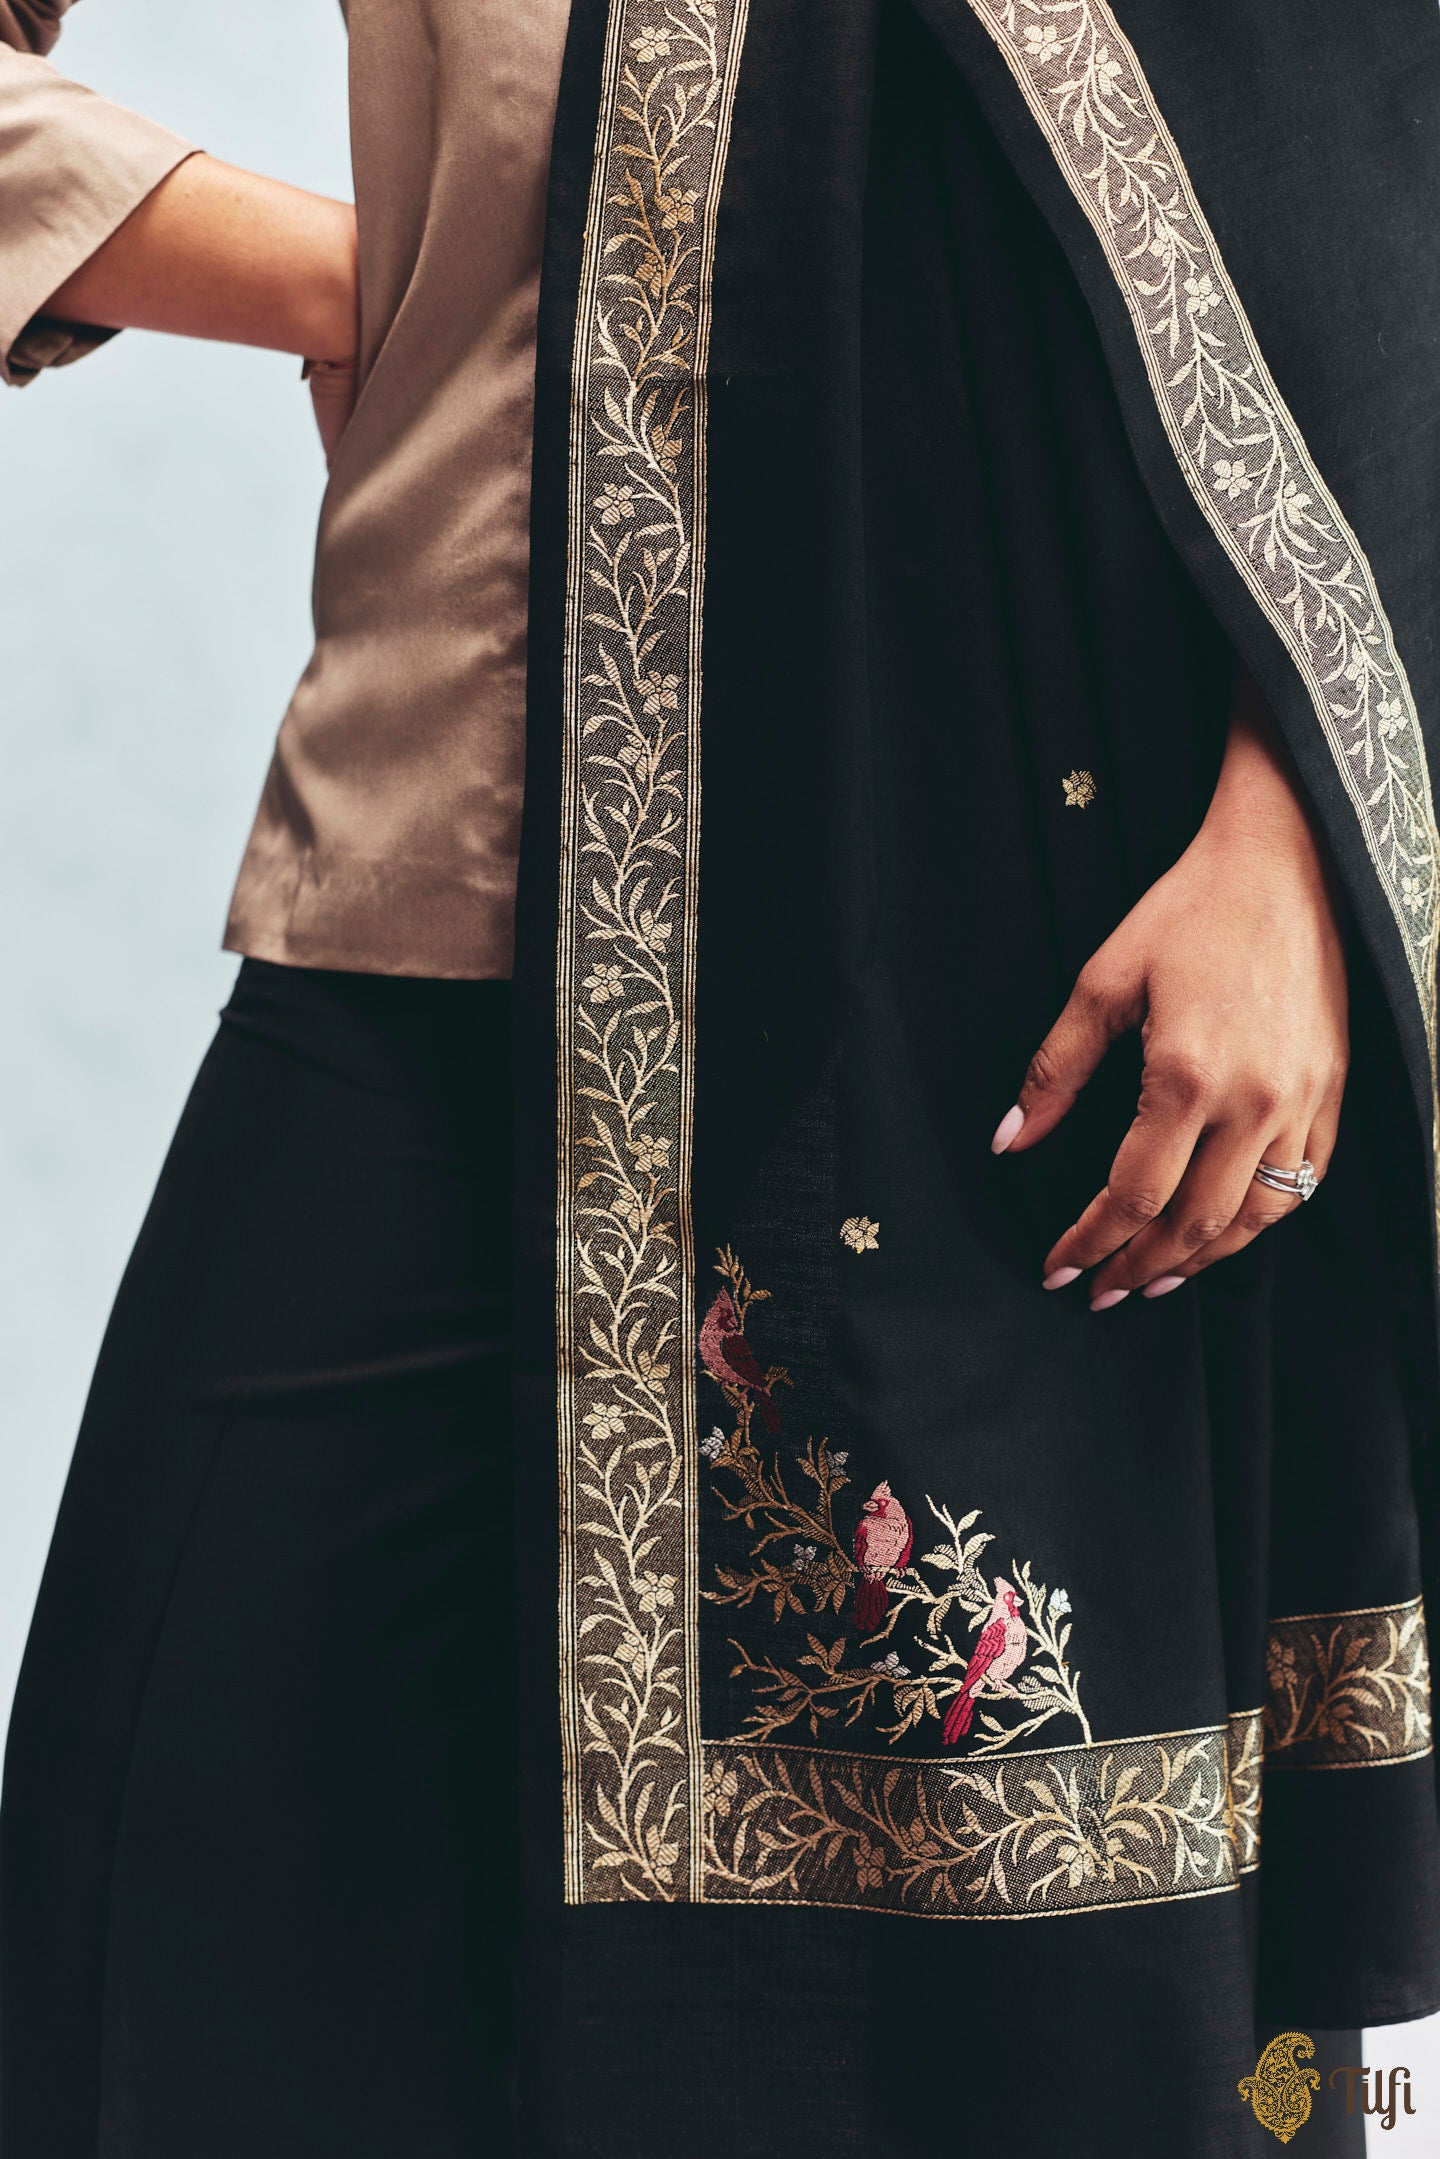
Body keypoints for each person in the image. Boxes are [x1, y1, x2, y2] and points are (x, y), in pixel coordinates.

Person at [2, 2, 1438, 2154]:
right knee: (178, 1951)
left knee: (999, 2050)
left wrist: (1297, 837)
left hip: (1056, 967)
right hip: (464, 860)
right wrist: (397, 278)